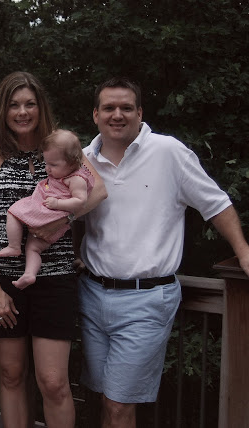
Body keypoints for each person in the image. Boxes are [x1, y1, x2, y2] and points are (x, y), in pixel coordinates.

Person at [78, 77, 249, 428]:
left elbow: (215, 204)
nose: (117, 115)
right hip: (91, 293)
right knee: (103, 398)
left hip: (147, 298)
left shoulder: (168, 152)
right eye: (109, 108)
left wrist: (243, 251)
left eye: (126, 108)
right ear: (95, 114)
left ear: (140, 113)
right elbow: (63, 214)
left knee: (118, 404)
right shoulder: (82, 160)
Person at [0, 71, 107, 428]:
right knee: (11, 374)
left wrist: (61, 220)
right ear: (3, 110)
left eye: (30, 104)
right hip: (5, 282)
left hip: (55, 279)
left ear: (41, 107)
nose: (22, 112)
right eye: (14, 105)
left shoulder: (62, 147)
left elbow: (99, 191)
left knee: (54, 381)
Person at [0, 130, 94, 288]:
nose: (47, 168)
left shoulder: (76, 179)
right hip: (49, 213)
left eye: (53, 165)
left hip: (51, 213)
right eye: (46, 163)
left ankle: (14, 246)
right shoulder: (63, 173)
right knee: (33, 248)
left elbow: (81, 201)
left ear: (72, 163)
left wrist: (58, 204)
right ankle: (30, 274)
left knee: (14, 211)